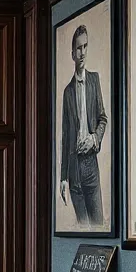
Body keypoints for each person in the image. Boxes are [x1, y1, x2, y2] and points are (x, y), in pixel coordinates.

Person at [59, 24, 108, 225]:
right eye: (79, 48)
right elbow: (65, 136)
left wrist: (95, 138)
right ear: (72, 53)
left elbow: (103, 118)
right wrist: (63, 178)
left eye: (85, 47)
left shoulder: (94, 80)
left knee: (98, 225)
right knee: (83, 228)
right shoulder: (67, 92)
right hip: (73, 169)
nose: (82, 52)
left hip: (90, 164)